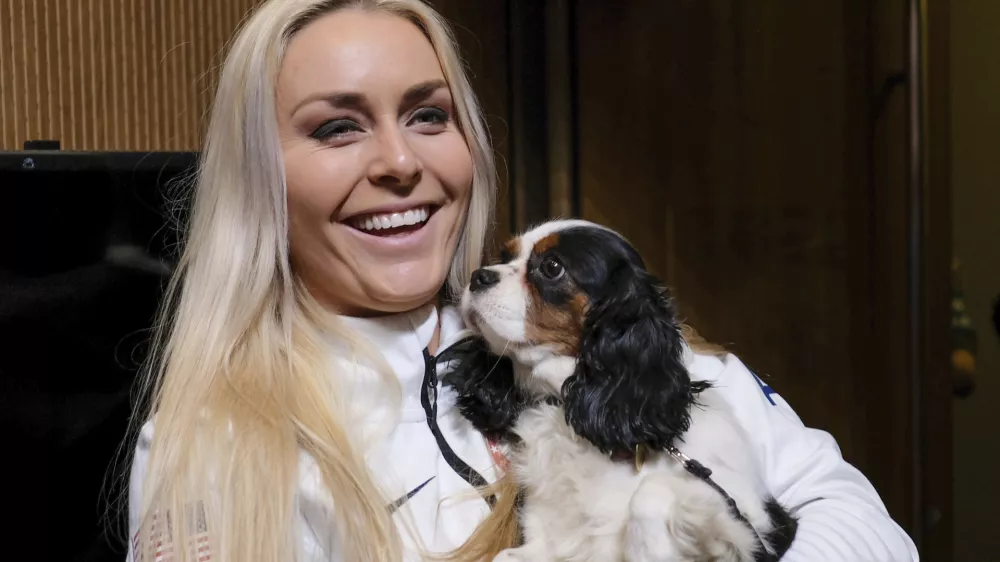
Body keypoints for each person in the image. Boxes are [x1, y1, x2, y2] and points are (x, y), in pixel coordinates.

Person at [124, 1, 920, 561]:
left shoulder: (613, 337)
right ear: (261, 178)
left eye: (429, 115)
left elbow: (868, 528)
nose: (401, 163)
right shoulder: (219, 444)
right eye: (338, 127)